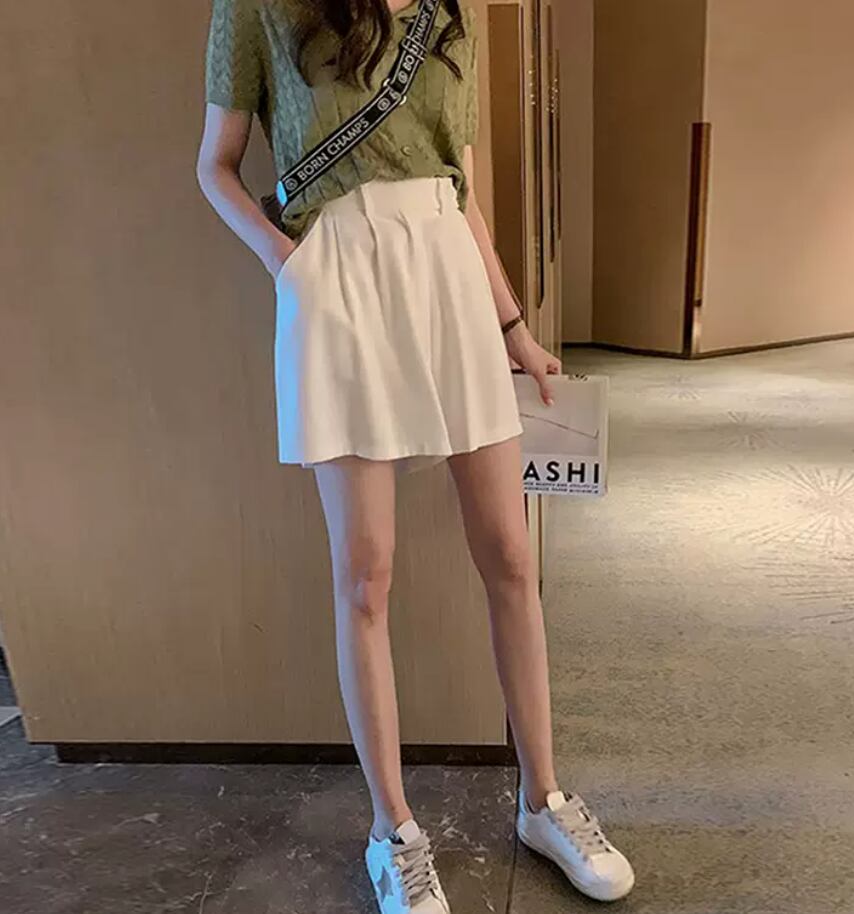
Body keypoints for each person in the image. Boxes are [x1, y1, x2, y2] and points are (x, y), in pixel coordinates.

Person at [196, 1, 634, 910]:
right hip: (336, 278)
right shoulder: (260, 7)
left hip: (447, 274)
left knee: (510, 556)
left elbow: (461, 193)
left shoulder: (450, 11)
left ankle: (544, 801)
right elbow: (215, 167)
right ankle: (392, 831)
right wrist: (287, 264)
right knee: (366, 577)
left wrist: (512, 327)